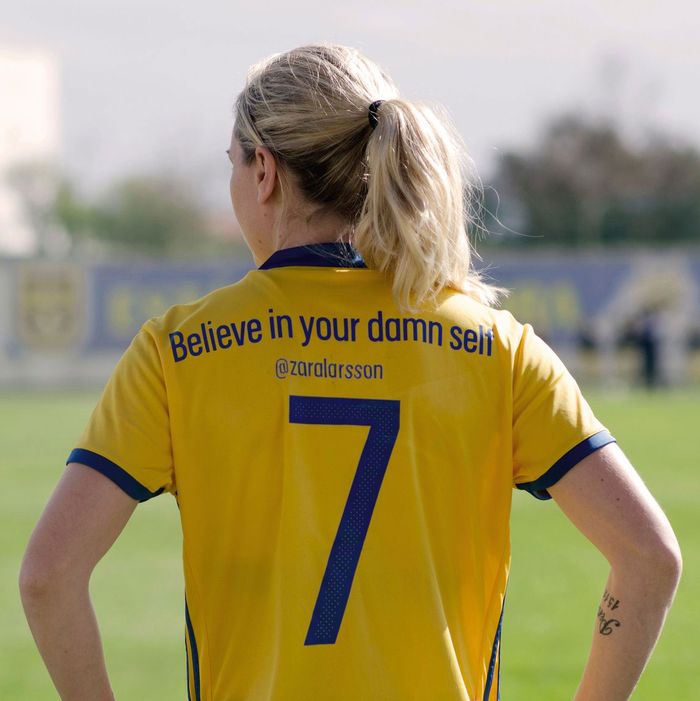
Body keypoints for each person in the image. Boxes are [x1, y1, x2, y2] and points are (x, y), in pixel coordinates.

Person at [20, 44, 681, 701]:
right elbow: (649, 559)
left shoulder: (178, 348)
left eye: (232, 164)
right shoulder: (498, 348)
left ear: (264, 173)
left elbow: (48, 575)